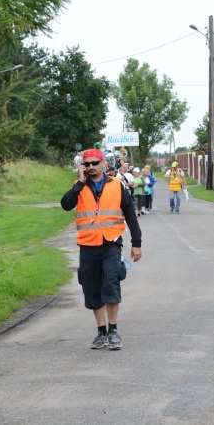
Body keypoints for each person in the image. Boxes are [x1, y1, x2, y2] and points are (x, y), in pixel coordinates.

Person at [61, 148, 142, 350]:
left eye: (94, 163)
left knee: (111, 284)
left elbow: (131, 215)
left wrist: (136, 243)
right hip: (88, 245)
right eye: (86, 164)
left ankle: (113, 330)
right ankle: (101, 332)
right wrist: (79, 183)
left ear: (104, 164)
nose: (90, 167)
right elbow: (65, 205)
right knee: (91, 288)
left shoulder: (117, 185)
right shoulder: (79, 187)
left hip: (111, 243)